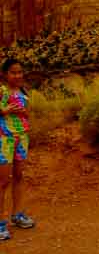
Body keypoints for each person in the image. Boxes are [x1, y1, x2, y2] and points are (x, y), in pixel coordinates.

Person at [0, 60, 34, 241]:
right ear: (5, 74)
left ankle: (18, 214)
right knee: (3, 181)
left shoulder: (23, 92)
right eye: (13, 72)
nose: (18, 75)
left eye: (20, 72)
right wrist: (4, 111)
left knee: (19, 176)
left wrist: (23, 112)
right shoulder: (1, 91)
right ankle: (0, 224)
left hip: (22, 138)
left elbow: (28, 113)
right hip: (4, 139)